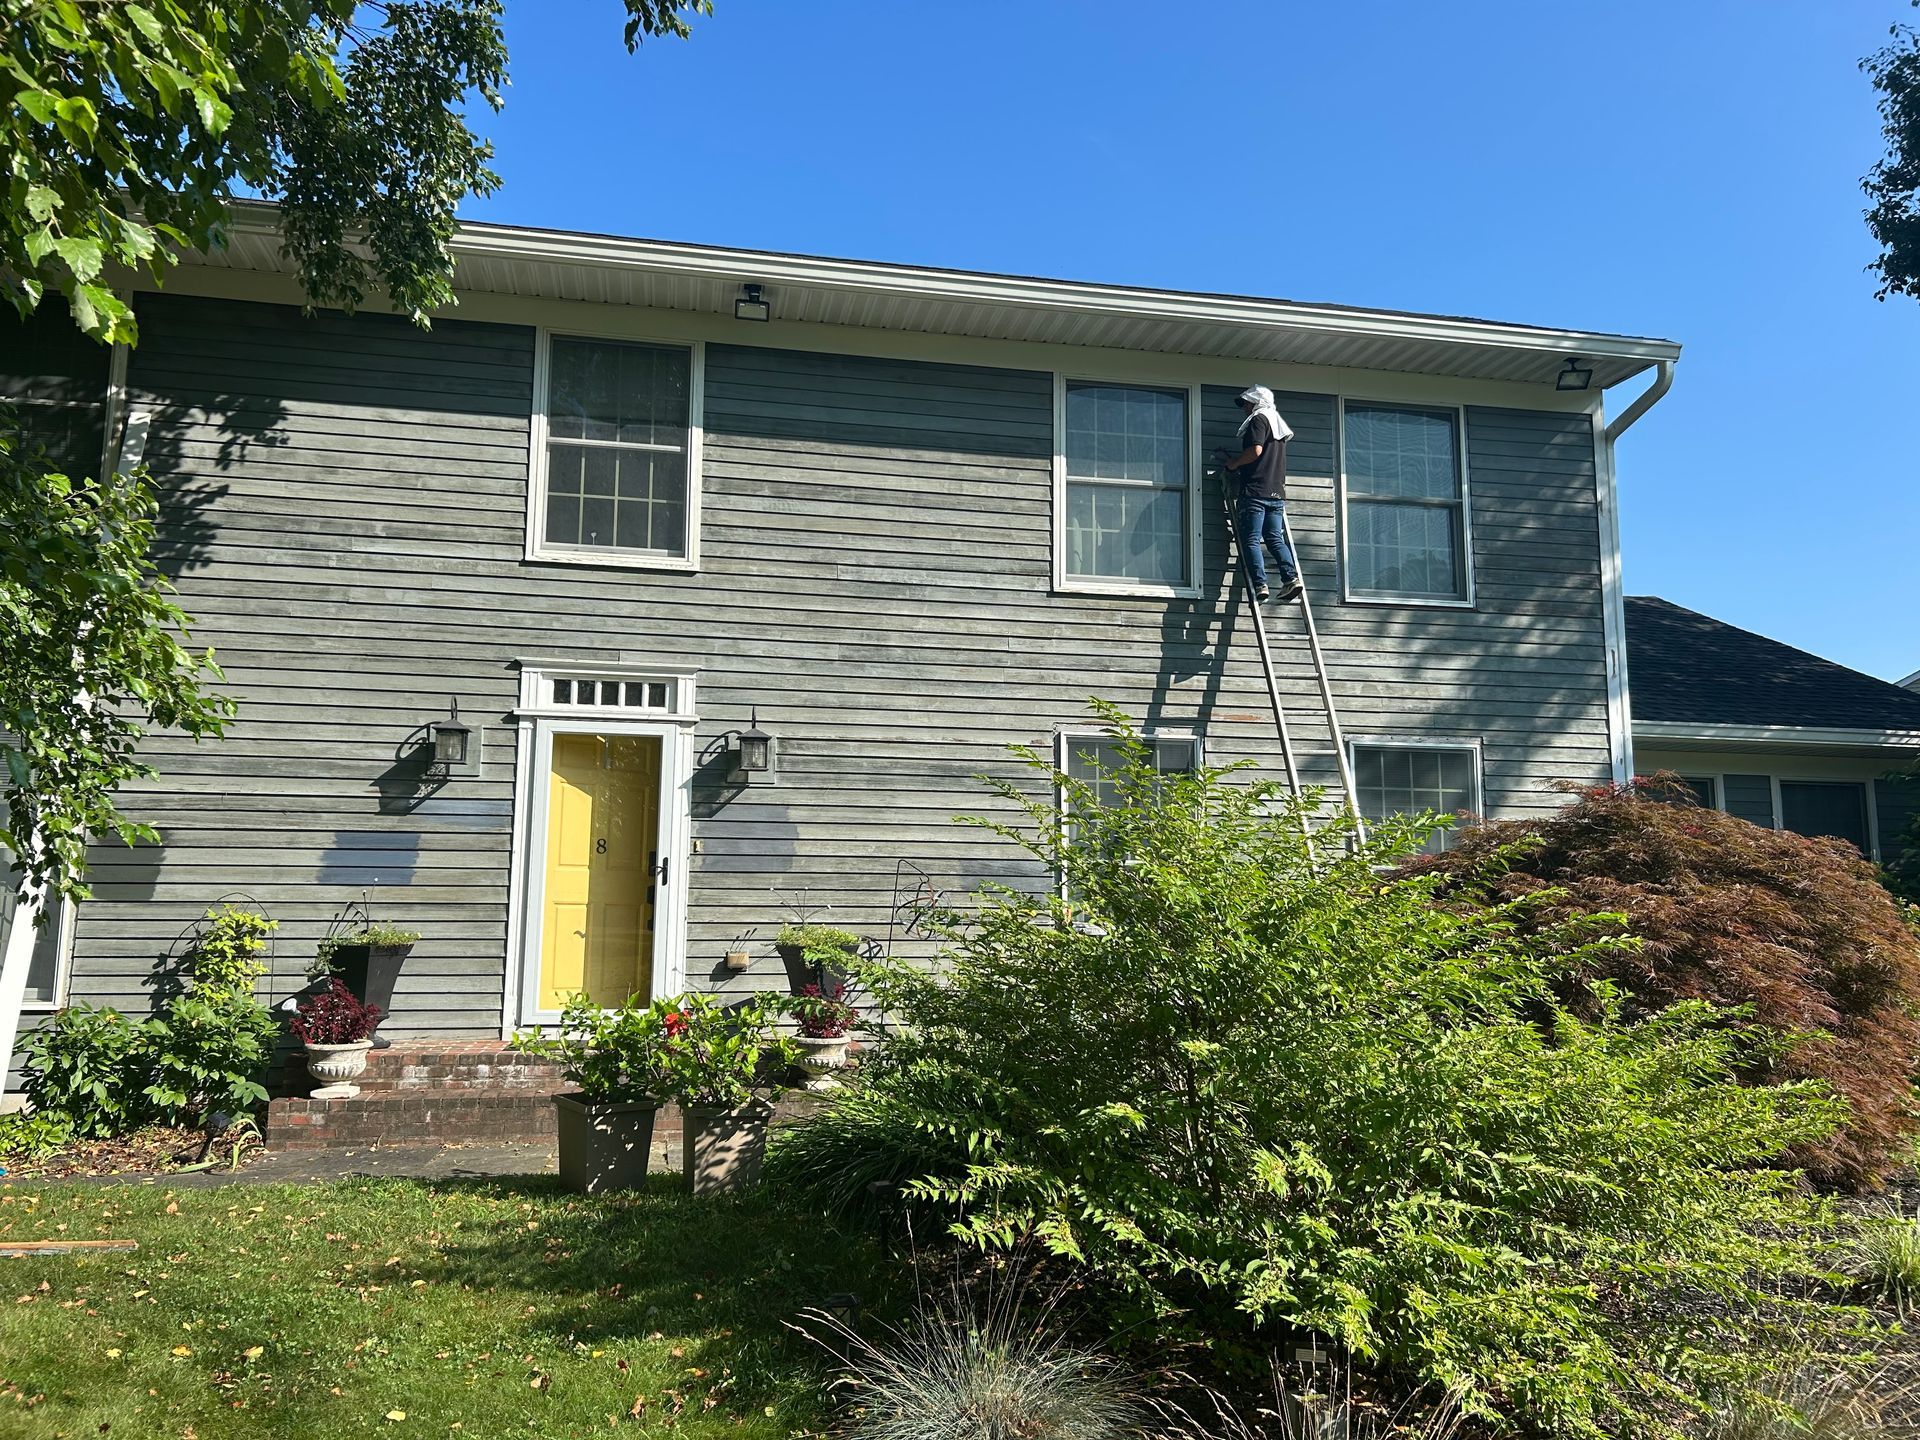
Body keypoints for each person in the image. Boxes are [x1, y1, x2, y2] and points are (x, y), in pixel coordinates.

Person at [1217, 384, 1301, 603]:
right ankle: (1290, 579)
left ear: (1256, 402)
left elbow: (1255, 451)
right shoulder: (1278, 425)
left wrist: (1234, 463)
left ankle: (1259, 584)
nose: (1245, 407)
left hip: (1255, 491)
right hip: (1276, 493)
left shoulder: (1259, 419)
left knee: (1252, 539)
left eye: (1247, 403)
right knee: (1274, 538)